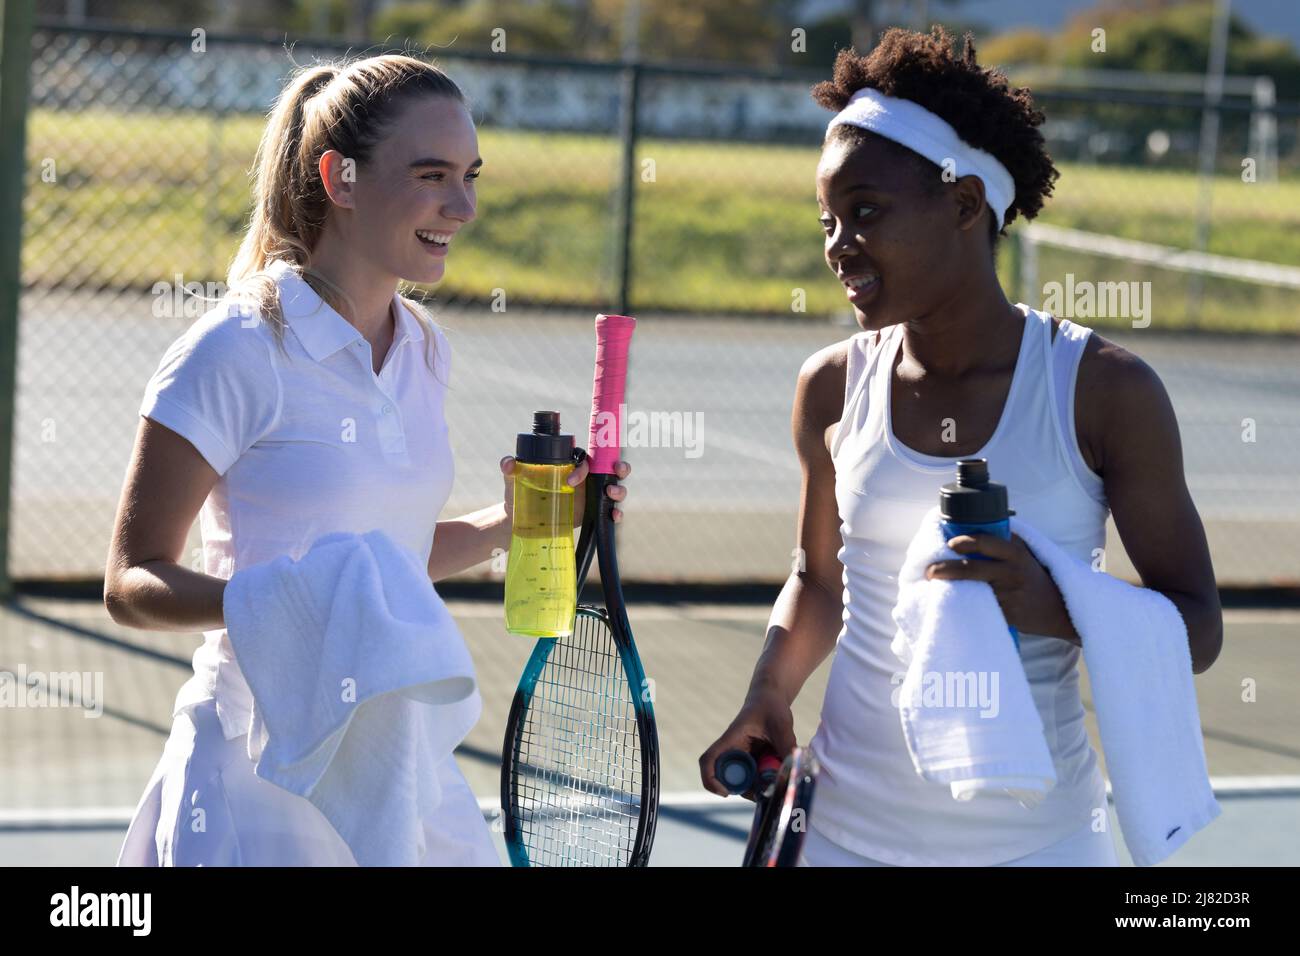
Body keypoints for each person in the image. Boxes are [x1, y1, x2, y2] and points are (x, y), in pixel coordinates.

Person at [699, 27, 1222, 867]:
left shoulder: (1105, 391)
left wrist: (1055, 607)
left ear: (966, 204)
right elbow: (819, 580)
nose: (838, 245)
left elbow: (1198, 630)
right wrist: (768, 691)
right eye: (828, 220)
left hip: (1040, 845)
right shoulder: (830, 387)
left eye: (865, 212)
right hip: (840, 835)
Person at [107, 53, 631, 866]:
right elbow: (131, 583)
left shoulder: (425, 350)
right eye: (431, 175)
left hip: (398, 761)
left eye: (471, 176)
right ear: (340, 179)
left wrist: (510, 523)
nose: (462, 206)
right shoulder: (232, 349)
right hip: (255, 769)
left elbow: (386, 559)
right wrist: (283, 608)